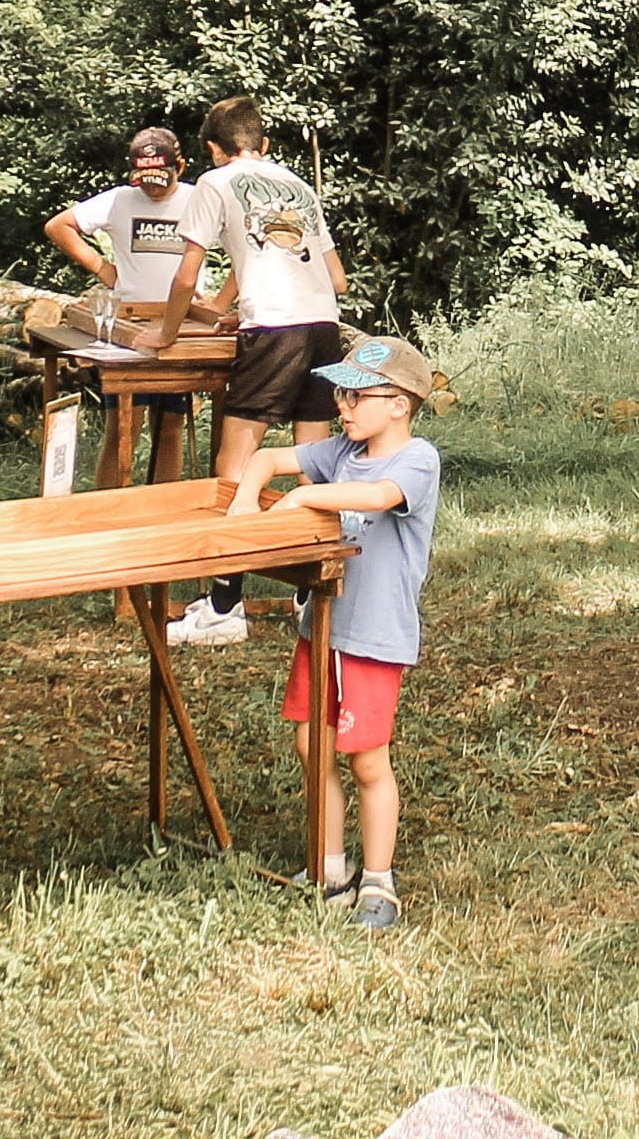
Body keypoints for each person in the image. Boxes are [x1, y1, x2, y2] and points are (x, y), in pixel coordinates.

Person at [227, 332, 444, 930]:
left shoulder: (415, 459)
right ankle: (329, 867)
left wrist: (307, 499)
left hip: (373, 637)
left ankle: (379, 884)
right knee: (310, 745)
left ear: (398, 404)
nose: (341, 407)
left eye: (355, 397)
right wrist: (248, 500)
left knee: (367, 760)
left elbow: (378, 496)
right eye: (340, 396)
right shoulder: (341, 452)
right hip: (320, 628)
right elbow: (268, 459)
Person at [174, 96, 351, 649]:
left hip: (272, 332)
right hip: (322, 324)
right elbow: (337, 278)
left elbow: (185, 278)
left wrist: (163, 335)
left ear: (212, 149)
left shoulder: (213, 182)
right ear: (264, 144)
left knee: (236, 461)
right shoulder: (298, 186)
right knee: (312, 460)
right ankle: (312, 591)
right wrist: (235, 303)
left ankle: (225, 603)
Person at [46, 126, 232, 360]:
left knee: (174, 393)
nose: (152, 188)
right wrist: (103, 269)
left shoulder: (199, 199)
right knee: (124, 389)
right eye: (145, 181)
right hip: (130, 317)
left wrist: (220, 304)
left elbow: (246, 249)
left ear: (180, 167)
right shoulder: (118, 200)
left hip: (183, 320)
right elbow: (58, 226)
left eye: (160, 181)